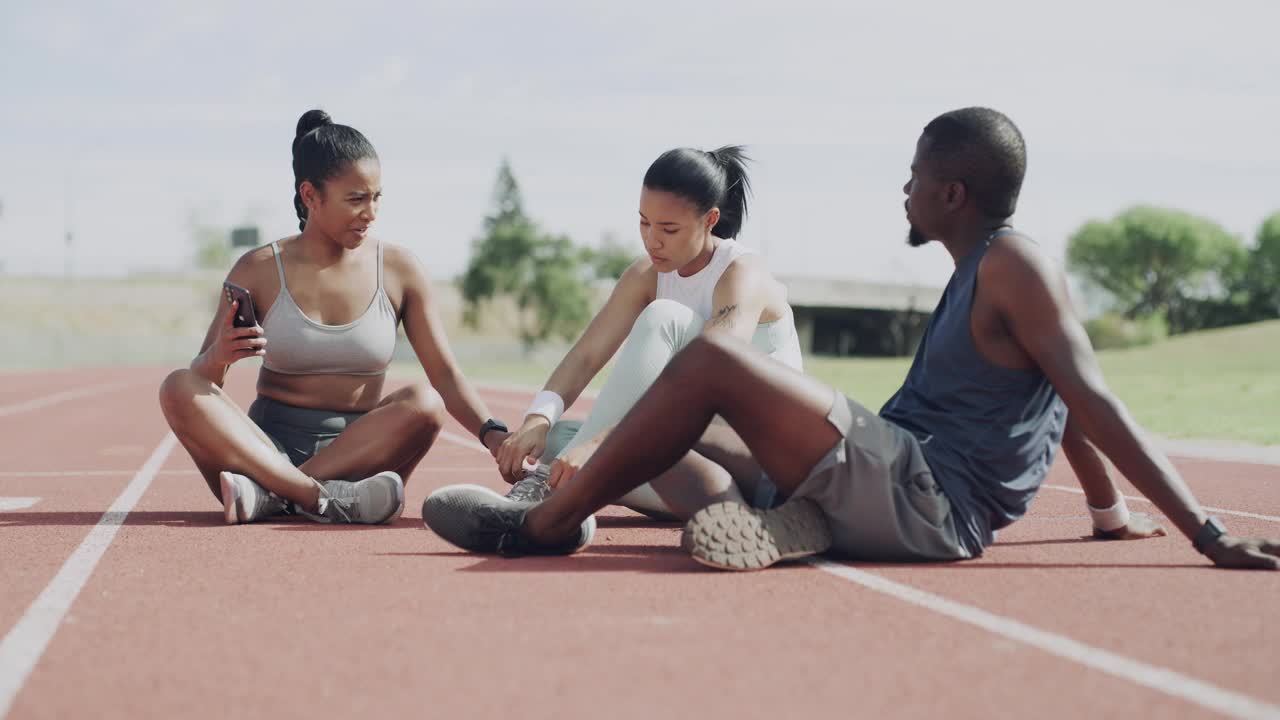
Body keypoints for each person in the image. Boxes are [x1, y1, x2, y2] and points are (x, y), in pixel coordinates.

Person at [421, 107, 1279, 571]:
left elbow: (1090, 395)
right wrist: (1104, 513)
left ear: (952, 192)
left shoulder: (1015, 266)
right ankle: (783, 516)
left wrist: (1205, 532)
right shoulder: (980, 268)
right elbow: (1058, 396)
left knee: (710, 359)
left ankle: (543, 527)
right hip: (891, 464)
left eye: (913, 176)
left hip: (926, 498)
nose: (901, 190)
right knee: (661, 431)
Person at [158, 109, 510, 526]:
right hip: (263, 452)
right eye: (356, 199)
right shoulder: (258, 269)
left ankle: (274, 498)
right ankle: (313, 496)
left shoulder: (400, 269)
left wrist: (495, 436)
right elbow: (203, 382)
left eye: (377, 197)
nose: (371, 212)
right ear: (310, 195)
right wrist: (219, 356)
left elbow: (445, 375)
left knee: (425, 402)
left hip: (359, 455)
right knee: (178, 386)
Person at [446, 146, 804, 524]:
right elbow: (586, 356)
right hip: (690, 456)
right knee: (555, 438)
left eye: (669, 229)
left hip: (757, 459)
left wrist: (599, 445)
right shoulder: (646, 275)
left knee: (662, 318)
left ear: (710, 219)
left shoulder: (742, 273)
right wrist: (538, 419)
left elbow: (703, 378)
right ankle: (574, 490)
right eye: (644, 222)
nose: (652, 240)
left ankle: (560, 500)